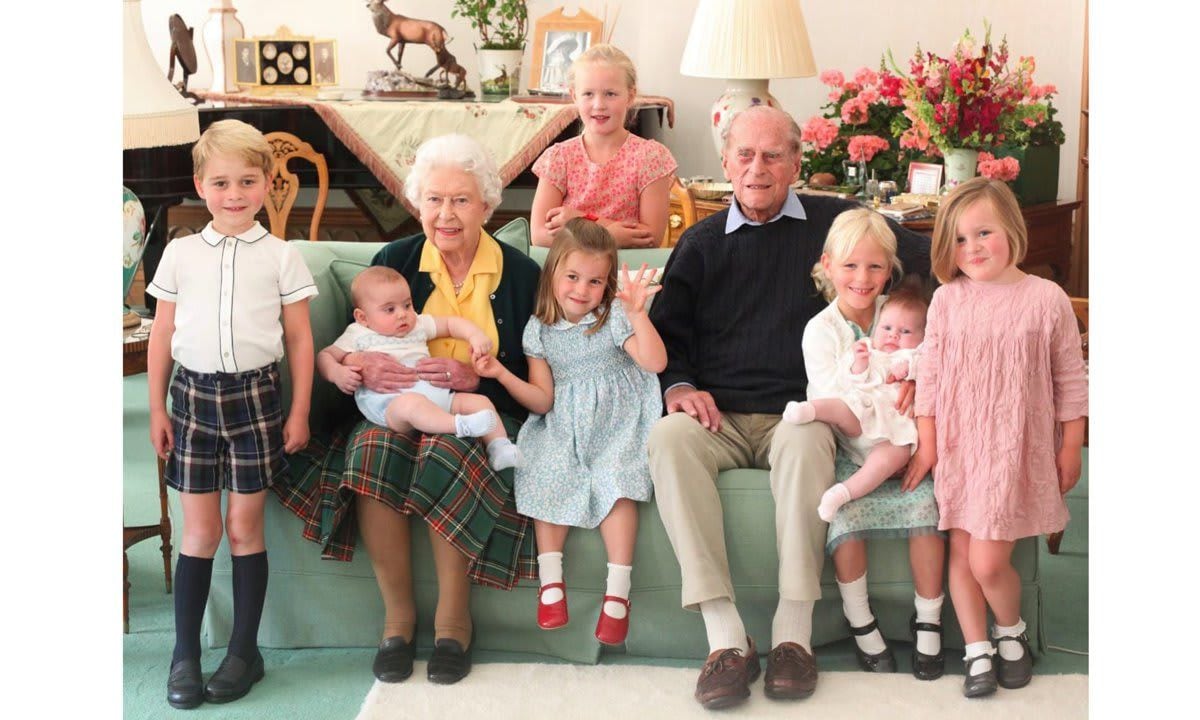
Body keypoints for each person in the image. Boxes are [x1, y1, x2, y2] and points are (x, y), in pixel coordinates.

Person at [646, 105, 931, 710]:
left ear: (797, 163)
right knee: (666, 439)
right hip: (714, 417)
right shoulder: (698, 245)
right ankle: (725, 639)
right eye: (744, 155)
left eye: (773, 155)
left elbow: (927, 263)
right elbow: (666, 338)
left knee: (807, 438)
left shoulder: (835, 224)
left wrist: (926, 350)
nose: (757, 168)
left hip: (795, 415)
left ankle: (792, 636)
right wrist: (678, 386)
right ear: (724, 163)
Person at [306, 133, 542, 686]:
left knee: (448, 450)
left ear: (486, 204)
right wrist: (362, 368)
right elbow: (353, 339)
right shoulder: (395, 261)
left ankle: (453, 623)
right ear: (418, 203)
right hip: (392, 407)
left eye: (461, 200)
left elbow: (535, 372)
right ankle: (397, 620)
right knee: (371, 450)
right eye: (434, 199)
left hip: (479, 407)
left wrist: (475, 376)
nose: (446, 214)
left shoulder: (522, 275)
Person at [145, 119, 317, 709]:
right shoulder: (179, 253)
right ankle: (184, 655)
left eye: (247, 180)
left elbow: (299, 341)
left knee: (244, 529)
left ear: (268, 183)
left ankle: (245, 651)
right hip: (191, 403)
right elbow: (162, 334)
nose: (234, 194)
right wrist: (155, 410)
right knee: (201, 530)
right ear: (200, 184)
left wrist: (299, 411)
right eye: (221, 182)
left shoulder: (282, 256)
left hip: (257, 404)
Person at [906, 177, 1087, 698]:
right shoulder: (948, 300)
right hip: (962, 446)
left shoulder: (1044, 298)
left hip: (1015, 449)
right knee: (961, 556)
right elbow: (932, 378)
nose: (973, 248)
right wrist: (931, 442)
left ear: (1010, 227)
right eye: (959, 240)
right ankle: (977, 648)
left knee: (988, 561)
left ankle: (1011, 631)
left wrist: (1071, 443)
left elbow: (1070, 378)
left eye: (983, 232)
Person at [474, 219, 666, 646]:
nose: (582, 290)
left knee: (617, 482)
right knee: (545, 471)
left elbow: (654, 363)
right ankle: (551, 584)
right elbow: (542, 400)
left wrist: (636, 313)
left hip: (620, 420)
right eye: (573, 277)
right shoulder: (538, 329)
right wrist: (502, 374)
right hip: (564, 420)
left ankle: (618, 594)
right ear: (553, 274)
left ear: (608, 284)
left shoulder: (613, 315)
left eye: (595, 281)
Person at [799, 208, 946, 683]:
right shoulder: (821, 331)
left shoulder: (899, 313)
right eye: (850, 267)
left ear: (890, 270)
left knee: (926, 508)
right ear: (828, 266)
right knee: (844, 520)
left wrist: (918, 388)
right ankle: (861, 622)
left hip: (902, 442)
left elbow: (932, 361)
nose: (863, 280)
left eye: (875, 267)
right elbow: (834, 399)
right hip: (853, 447)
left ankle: (929, 621)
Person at [317, 266, 521, 471]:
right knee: (413, 404)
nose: (402, 315)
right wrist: (337, 373)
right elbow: (325, 356)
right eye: (390, 309)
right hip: (391, 405)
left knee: (480, 402)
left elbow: (450, 324)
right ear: (362, 317)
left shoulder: (418, 325)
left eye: (407, 305)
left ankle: (500, 447)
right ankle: (459, 425)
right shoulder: (358, 333)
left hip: (437, 394)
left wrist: (474, 336)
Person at [785, 276, 929, 522]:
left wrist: (912, 372)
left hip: (894, 433)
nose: (893, 336)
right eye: (887, 328)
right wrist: (860, 363)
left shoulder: (918, 354)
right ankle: (807, 410)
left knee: (893, 457)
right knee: (841, 407)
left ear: (922, 336)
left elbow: (933, 372)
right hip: (861, 416)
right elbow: (850, 380)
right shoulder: (868, 348)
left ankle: (842, 494)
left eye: (905, 331)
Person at [530, 43, 677, 249]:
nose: (599, 104)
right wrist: (610, 236)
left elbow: (650, 237)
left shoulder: (650, 157)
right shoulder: (559, 158)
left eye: (610, 94)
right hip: (573, 277)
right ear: (574, 96)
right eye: (588, 94)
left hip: (629, 275)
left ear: (630, 95)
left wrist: (581, 220)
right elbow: (538, 235)